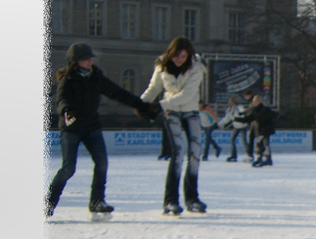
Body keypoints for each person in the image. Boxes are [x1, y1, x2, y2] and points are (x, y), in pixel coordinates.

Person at [46, 42, 158, 217]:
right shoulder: (67, 80)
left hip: (91, 127)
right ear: (75, 62)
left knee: (102, 163)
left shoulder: (96, 77)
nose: (90, 60)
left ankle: (97, 201)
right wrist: (66, 112)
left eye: (90, 57)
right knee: (68, 169)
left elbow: (118, 93)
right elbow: (61, 100)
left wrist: (142, 106)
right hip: (71, 129)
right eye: (86, 58)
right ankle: (49, 203)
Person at [140, 36, 206, 215]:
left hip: (190, 111)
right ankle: (170, 201)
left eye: (183, 56)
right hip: (171, 112)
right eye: (176, 55)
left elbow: (186, 95)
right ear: (170, 54)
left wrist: (158, 105)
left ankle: (192, 198)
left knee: (195, 153)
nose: (179, 59)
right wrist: (141, 104)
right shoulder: (162, 66)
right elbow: (153, 88)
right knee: (178, 152)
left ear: (188, 55)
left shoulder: (197, 67)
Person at [235, 90, 277, 167]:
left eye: (255, 101)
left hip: (266, 129)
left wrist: (271, 122)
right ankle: (263, 158)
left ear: (259, 102)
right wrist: (237, 119)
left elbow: (272, 117)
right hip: (261, 130)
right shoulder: (255, 110)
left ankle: (264, 158)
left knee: (261, 143)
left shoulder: (265, 109)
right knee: (262, 143)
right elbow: (249, 118)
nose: (253, 103)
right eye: (253, 101)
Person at [219, 96, 251, 162]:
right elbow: (227, 118)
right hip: (236, 126)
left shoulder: (239, 107)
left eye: (230, 101)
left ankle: (250, 155)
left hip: (242, 126)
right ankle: (233, 155)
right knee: (232, 140)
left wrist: (240, 117)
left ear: (233, 101)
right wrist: (220, 124)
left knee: (244, 141)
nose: (229, 102)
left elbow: (243, 113)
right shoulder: (229, 109)